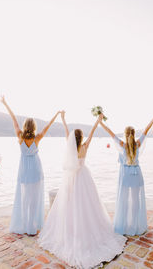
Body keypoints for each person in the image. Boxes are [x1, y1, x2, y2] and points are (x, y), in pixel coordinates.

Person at [38, 111, 126, 269]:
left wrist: (64, 120)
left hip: (72, 180)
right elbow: (92, 133)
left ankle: (72, 233)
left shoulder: (71, 148)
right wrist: (98, 121)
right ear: (81, 138)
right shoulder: (85, 146)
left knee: (71, 206)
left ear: (73, 138)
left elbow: (66, 133)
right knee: (88, 206)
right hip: (84, 178)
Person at [1, 95, 61, 235]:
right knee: (34, 200)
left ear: (24, 127)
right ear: (33, 127)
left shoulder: (20, 136)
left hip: (24, 172)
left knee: (24, 200)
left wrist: (5, 103)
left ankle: (25, 226)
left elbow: (14, 119)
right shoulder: (37, 138)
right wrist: (56, 114)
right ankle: (31, 229)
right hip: (35, 171)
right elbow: (48, 126)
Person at [100, 113, 153, 236]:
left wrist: (100, 121)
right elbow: (146, 129)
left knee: (123, 200)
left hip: (125, 175)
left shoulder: (122, 145)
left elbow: (109, 132)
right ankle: (134, 225)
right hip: (136, 174)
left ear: (125, 134)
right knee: (135, 201)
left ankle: (123, 224)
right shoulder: (137, 144)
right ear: (133, 134)